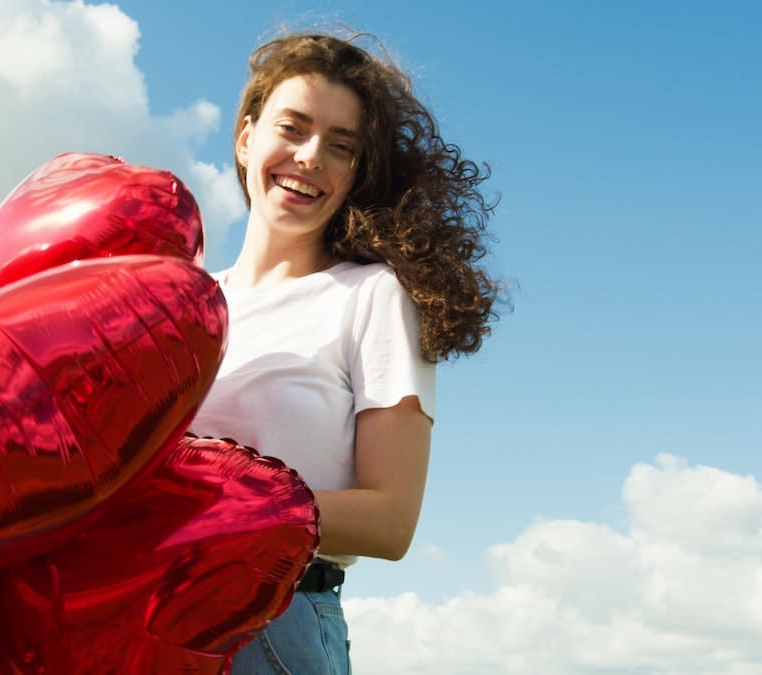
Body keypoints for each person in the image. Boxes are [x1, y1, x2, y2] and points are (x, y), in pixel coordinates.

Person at [190, 31, 499, 674]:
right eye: (293, 128)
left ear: (357, 173)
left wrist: (212, 507)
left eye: (341, 147)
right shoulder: (183, 301)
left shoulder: (372, 296)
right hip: (137, 614)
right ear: (247, 137)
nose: (309, 157)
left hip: (270, 627)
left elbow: (390, 520)